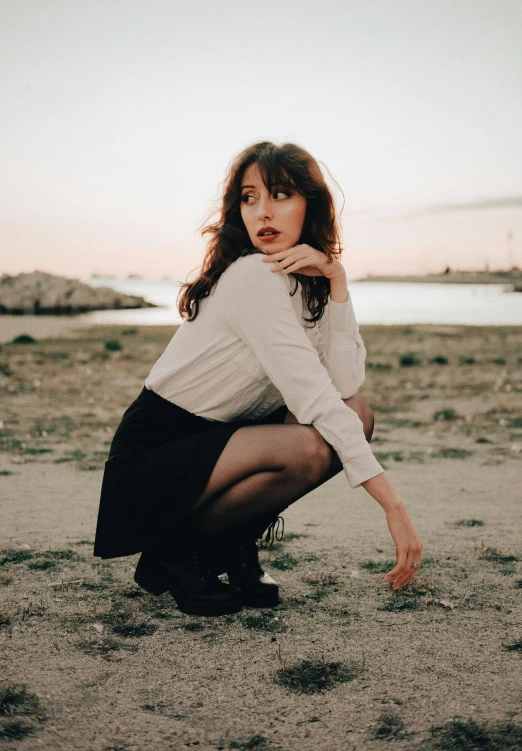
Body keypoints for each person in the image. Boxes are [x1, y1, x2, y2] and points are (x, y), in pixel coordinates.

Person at [93, 140, 422, 617]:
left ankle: (230, 543)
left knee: (357, 415)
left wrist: (337, 281)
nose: (262, 212)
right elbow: (314, 399)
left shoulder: (302, 279)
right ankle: (179, 553)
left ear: (311, 204)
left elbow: (344, 386)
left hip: (224, 440)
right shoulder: (251, 276)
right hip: (157, 454)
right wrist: (393, 506)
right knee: (310, 445)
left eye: (281, 194)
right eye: (249, 198)